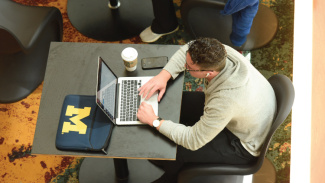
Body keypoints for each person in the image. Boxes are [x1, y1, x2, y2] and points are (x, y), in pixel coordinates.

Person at [137, 37, 277, 183]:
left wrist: (154, 121)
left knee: (177, 152)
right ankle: (163, 159)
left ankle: (170, 177)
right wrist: (163, 76)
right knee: (176, 102)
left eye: (189, 67)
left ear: (208, 72)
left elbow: (193, 140)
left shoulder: (225, 100)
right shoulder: (219, 53)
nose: (184, 66)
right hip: (248, 113)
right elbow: (187, 49)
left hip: (243, 143)